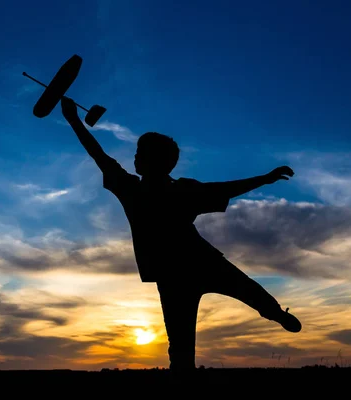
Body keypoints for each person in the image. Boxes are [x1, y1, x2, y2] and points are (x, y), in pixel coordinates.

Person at [60, 97, 301, 373]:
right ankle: (275, 314)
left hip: (189, 266)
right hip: (184, 269)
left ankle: (276, 314)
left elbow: (223, 188)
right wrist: (74, 120)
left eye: (142, 154)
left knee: (247, 295)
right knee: (185, 344)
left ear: (158, 161)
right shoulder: (146, 189)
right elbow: (100, 156)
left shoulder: (148, 190)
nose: (136, 157)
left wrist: (73, 119)